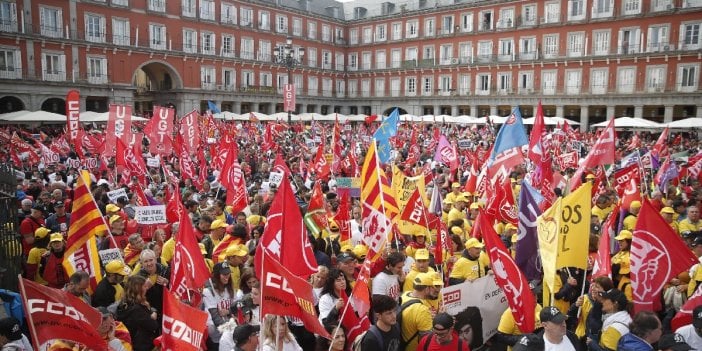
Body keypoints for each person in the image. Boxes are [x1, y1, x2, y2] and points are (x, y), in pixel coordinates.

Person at [114, 275, 159, 351]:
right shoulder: (136, 309)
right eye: (144, 286)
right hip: (143, 345)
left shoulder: (124, 303)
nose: (147, 288)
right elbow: (154, 325)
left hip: (134, 343)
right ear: (137, 289)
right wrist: (153, 313)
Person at [513, 306, 582, 351]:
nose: (563, 324)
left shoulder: (572, 337)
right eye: (558, 322)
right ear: (545, 325)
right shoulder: (537, 346)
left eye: (563, 320)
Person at [204, 262, 236, 351]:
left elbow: (237, 307)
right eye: (224, 274)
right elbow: (215, 317)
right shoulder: (208, 291)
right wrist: (232, 329)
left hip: (231, 333)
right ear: (217, 275)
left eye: (228, 273)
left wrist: (228, 311)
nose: (227, 276)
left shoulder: (230, 288)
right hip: (216, 337)